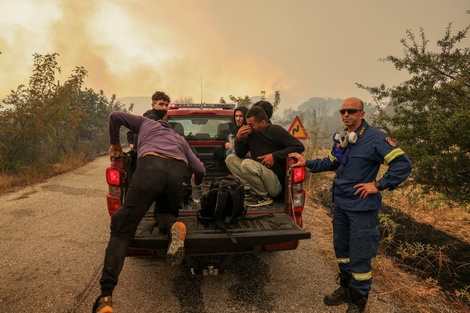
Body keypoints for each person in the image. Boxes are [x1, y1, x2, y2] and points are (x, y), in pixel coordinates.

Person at [289, 97, 412, 313]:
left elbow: (402, 164)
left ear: (362, 114)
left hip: (362, 208)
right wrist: (306, 162)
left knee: (360, 253)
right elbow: (331, 162)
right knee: (342, 250)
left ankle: (358, 299)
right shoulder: (342, 139)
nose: (346, 115)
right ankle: (345, 288)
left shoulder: (376, 139)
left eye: (352, 111)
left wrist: (379, 185)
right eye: (343, 111)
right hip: (341, 205)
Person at [93, 111, 206, 313]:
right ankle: (174, 225)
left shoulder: (145, 123)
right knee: (164, 214)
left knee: (122, 230)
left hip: (150, 169)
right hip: (177, 175)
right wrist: (196, 183)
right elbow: (200, 169)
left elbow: (114, 116)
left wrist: (116, 144)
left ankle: (106, 297)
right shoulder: (180, 139)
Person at [225, 103, 305, 207]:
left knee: (246, 164)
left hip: (276, 183)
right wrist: (239, 139)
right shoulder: (251, 134)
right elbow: (239, 153)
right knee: (230, 159)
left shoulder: (275, 130)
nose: (249, 127)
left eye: (252, 124)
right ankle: (251, 191)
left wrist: (274, 156)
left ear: (263, 122)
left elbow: (299, 146)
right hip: (260, 176)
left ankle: (264, 197)